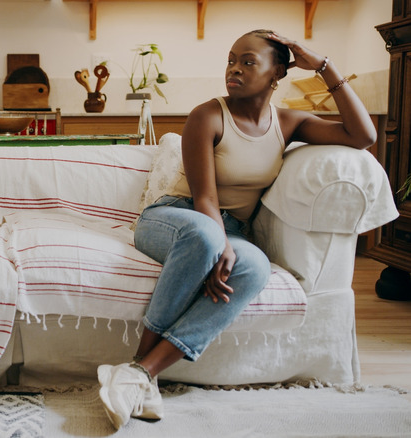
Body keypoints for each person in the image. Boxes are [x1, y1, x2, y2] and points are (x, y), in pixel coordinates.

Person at [97, 29, 376, 430]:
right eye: (231, 60)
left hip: (229, 230)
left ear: (277, 72)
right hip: (175, 218)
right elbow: (204, 198)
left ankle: (140, 372)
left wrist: (324, 67)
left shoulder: (289, 122)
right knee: (206, 237)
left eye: (248, 62)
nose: (234, 69)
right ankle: (139, 371)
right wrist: (219, 243)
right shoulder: (207, 115)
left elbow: (362, 136)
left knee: (256, 269)